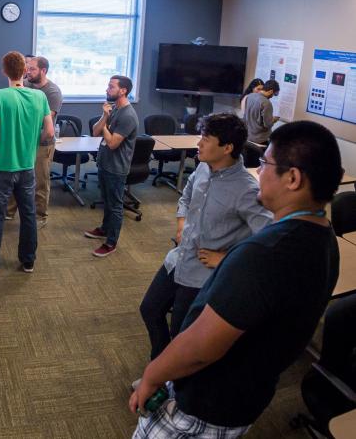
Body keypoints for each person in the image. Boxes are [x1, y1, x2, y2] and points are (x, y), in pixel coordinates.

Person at [130, 120, 342, 438]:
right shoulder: (322, 236)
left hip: (208, 403)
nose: (261, 171)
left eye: (266, 163)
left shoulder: (264, 252)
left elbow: (201, 346)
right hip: (247, 393)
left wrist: (152, 376)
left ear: (293, 178)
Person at [139, 113, 272, 361]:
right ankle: (161, 364)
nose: (198, 143)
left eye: (205, 139)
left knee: (181, 331)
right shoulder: (202, 167)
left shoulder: (247, 190)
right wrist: (181, 224)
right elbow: (186, 197)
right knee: (149, 309)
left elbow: (268, 239)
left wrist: (226, 260)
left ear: (227, 147)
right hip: (179, 258)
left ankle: (174, 387)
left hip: (203, 276)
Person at [0, 51, 54, 280]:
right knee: (28, 214)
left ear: (4, 71)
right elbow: (50, 132)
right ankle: (28, 260)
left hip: (3, 167)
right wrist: (30, 143)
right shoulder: (40, 97)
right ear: (24, 71)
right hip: (27, 167)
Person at [84, 75, 139, 257]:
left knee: (115, 205)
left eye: (111, 86)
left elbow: (113, 143)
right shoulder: (114, 109)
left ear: (123, 91)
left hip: (117, 168)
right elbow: (95, 132)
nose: (107, 89)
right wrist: (105, 116)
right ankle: (104, 229)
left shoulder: (128, 115)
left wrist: (106, 125)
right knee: (107, 201)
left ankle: (111, 242)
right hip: (105, 163)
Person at [5, 55, 62, 229]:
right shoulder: (27, 84)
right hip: (24, 139)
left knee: (40, 181)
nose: (27, 72)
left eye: (32, 69)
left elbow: (45, 120)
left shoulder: (52, 92)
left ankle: (40, 216)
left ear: (43, 71)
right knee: (15, 175)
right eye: (27, 69)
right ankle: (9, 211)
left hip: (42, 143)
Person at [244, 78, 280, 144]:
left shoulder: (249, 96)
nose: (272, 96)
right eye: (273, 94)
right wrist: (273, 119)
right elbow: (267, 125)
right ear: (271, 91)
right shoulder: (266, 103)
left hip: (248, 137)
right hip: (261, 139)